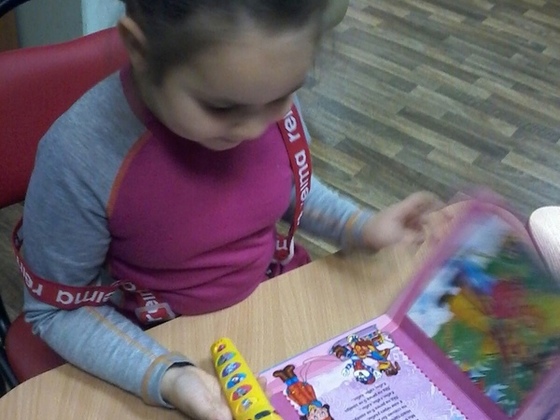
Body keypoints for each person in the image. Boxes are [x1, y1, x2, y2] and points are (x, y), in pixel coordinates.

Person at [18, 1, 440, 419]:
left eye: (284, 96)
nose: (256, 129)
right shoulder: (78, 158)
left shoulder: (259, 86)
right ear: (139, 49)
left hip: (274, 303)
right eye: (221, 108)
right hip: (159, 343)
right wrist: (167, 376)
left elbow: (285, 188)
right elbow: (56, 311)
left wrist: (361, 226)